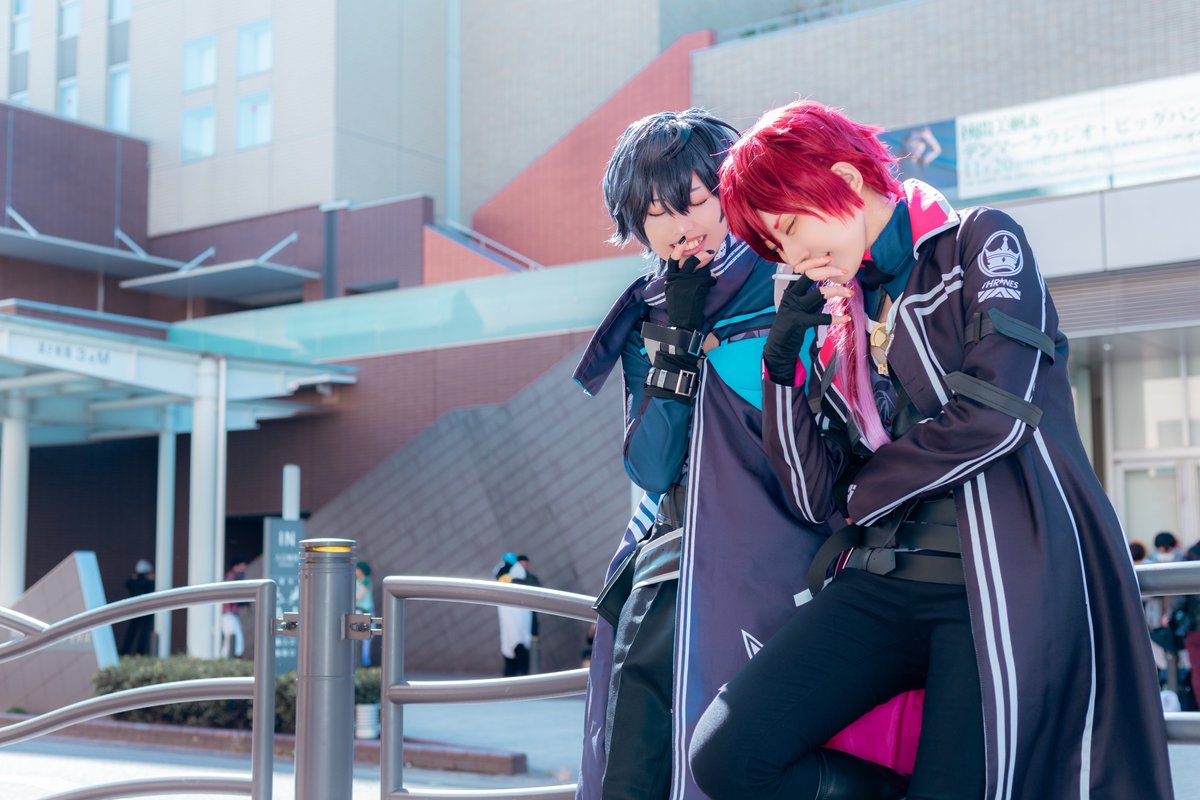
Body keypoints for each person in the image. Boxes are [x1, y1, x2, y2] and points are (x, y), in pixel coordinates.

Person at [687, 100, 1173, 799]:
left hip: (996, 581)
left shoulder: (980, 242)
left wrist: (868, 490)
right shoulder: (842, 315)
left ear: (846, 179)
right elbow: (816, 496)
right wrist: (782, 362)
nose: (793, 257)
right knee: (728, 754)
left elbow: (997, 413)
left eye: (790, 227)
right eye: (776, 247)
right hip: (879, 583)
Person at [571, 108, 833, 800]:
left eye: (693, 200)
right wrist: (680, 340)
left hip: (792, 551)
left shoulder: (793, 275)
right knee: (637, 764)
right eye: (657, 213)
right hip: (676, 560)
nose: (680, 226)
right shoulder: (650, 313)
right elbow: (651, 467)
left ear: (730, 192)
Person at [495, 555, 533, 676]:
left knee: (519, 650)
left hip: (519, 620)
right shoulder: (506, 574)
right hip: (510, 619)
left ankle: (520, 678)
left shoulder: (520, 574)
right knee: (512, 652)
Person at [120, 559, 155, 656]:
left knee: (131, 631)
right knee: (144, 632)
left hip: (134, 609)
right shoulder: (148, 582)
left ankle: (124, 651)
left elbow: (128, 583)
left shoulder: (133, 581)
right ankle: (140, 652)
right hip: (146, 609)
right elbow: (152, 586)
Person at [220, 559, 248, 659]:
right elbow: (229, 597)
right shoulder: (231, 578)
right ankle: (227, 661)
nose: (243, 569)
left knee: (235, 640)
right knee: (231, 638)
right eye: (242, 566)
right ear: (236, 566)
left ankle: (230, 660)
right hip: (227, 613)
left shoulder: (235, 578)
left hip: (231, 614)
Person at [355, 561, 374, 667]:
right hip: (358, 611)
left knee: (366, 638)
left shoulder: (366, 581)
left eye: (357, 569)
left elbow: (359, 596)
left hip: (366, 612)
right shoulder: (356, 581)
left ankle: (365, 662)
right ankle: (359, 662)